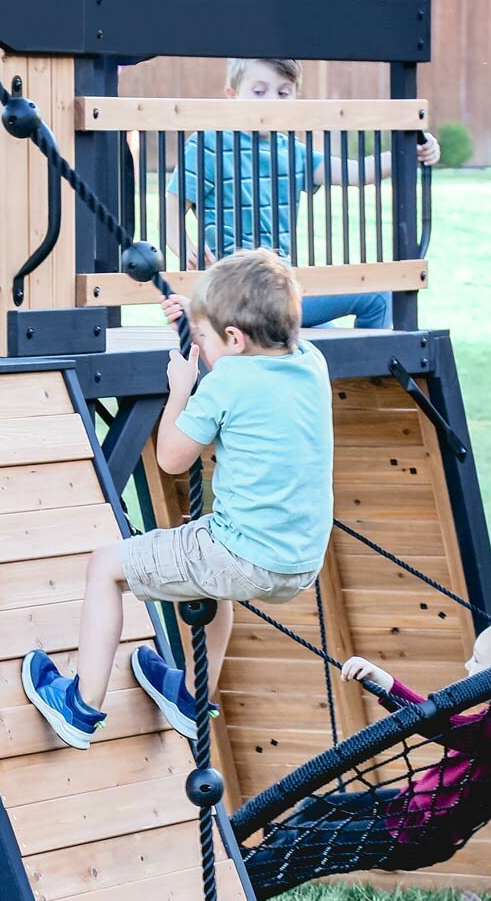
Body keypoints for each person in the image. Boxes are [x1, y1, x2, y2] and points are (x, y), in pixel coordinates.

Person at [21, 249, 333, 749]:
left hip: (241, 553)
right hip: (298, 561)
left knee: (105, 566)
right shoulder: (309, 361)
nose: (199, 344)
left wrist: (181, 389)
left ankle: (80, 705)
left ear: (234, 338)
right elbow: (243, 354)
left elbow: (171, 458)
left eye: (204, 337)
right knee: (213, 582)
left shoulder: (227, 379)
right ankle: (191, 696)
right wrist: (198, 320)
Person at [242, 616, 491, 898]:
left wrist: (387, 684)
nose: (468, 664)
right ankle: (259, 863)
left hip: (415, 834)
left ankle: (245, 880)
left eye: (478, 660)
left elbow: (441, 725)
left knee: (314, 843)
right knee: (319, 809)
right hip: (414, 808)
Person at [164, 57, 440, 330]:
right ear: (232, 95)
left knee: (323, 344)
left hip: (280, 289)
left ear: (296, 99)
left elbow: (354, 173)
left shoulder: (292, 152)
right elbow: (170, 215)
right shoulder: (208, 145)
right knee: (378, 296)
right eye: (259, 92)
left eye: (283, 93)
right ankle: (377, 373)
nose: (272, 101)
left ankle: (367, 373)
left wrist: (407, 152)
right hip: (235, 291)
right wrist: (190, 250)